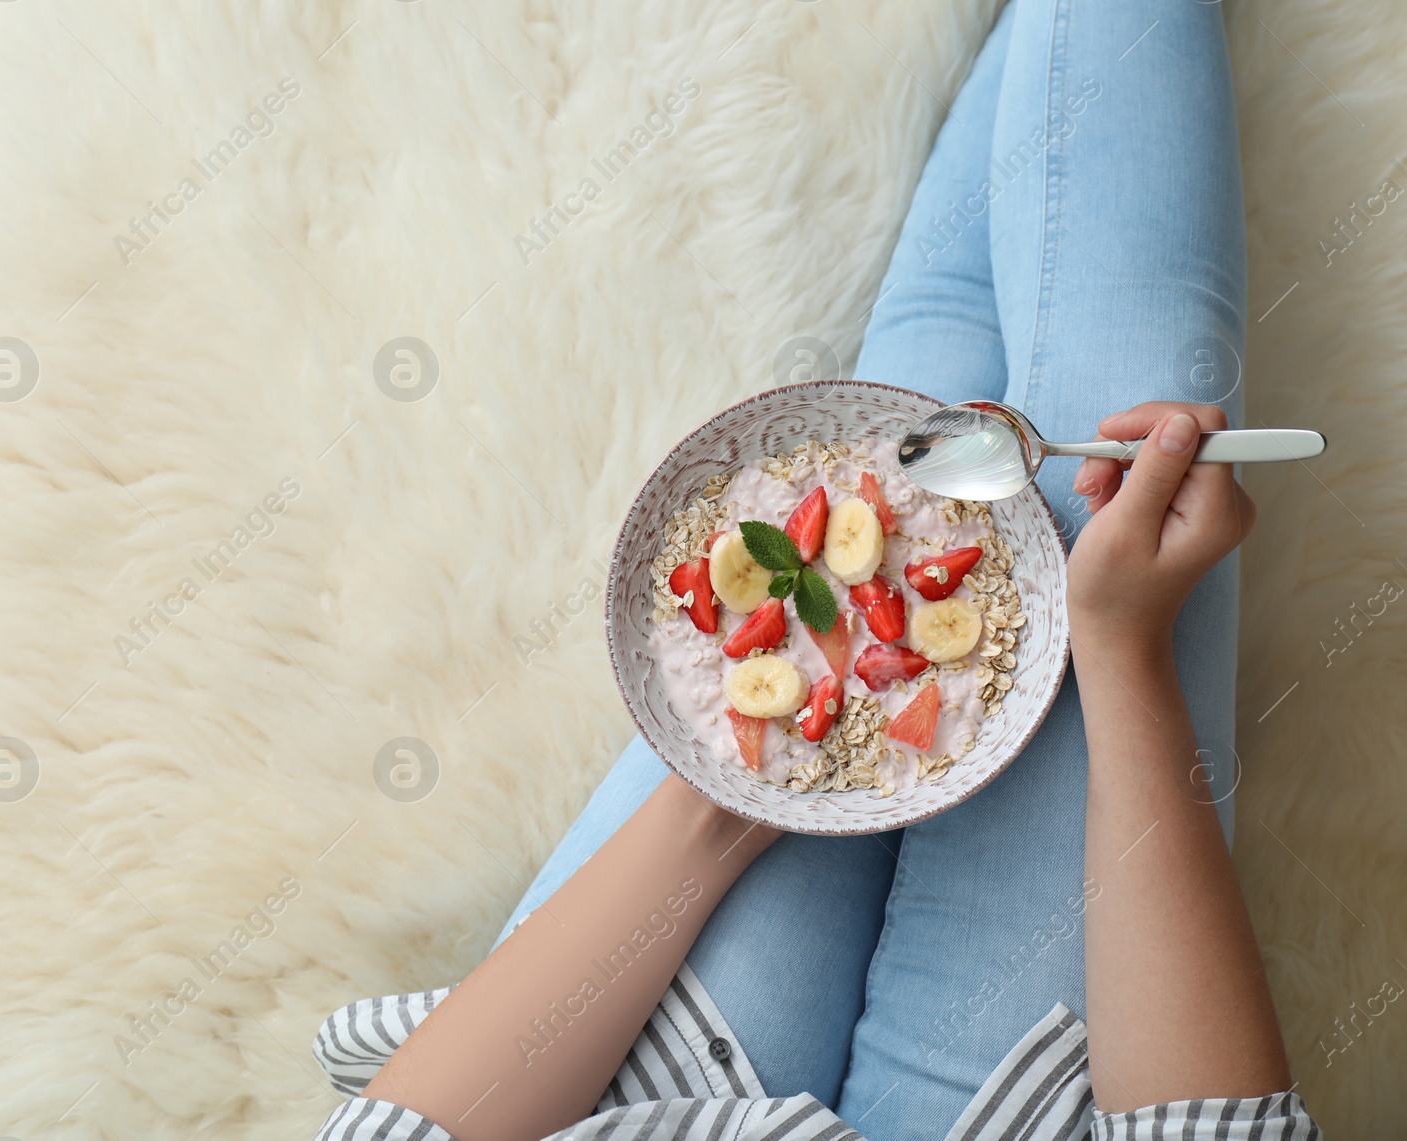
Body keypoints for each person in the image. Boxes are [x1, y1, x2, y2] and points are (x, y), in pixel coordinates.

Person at [308, 0, 1322, 1137]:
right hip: (1010, 1113)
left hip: (650, 1088)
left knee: (920, 401)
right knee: (1126, 406)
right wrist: (1124, 653)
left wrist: (732, 800)